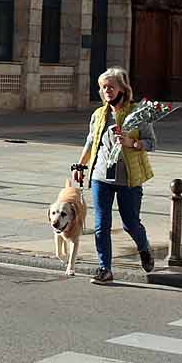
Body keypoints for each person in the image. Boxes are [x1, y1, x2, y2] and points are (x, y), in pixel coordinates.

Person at [72, 66, 156, 285]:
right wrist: (80, 166)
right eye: (102, 87)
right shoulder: (99, 114)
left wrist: (132, 143)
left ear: (122, 88)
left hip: (128, 177)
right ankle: (104, 269)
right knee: (101, 225)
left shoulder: (137, 113)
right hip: (101, 176)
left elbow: (152, 143)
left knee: (130, 223)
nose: (106, 90)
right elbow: (91, 142)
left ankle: (144, 247)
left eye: (110, 86)